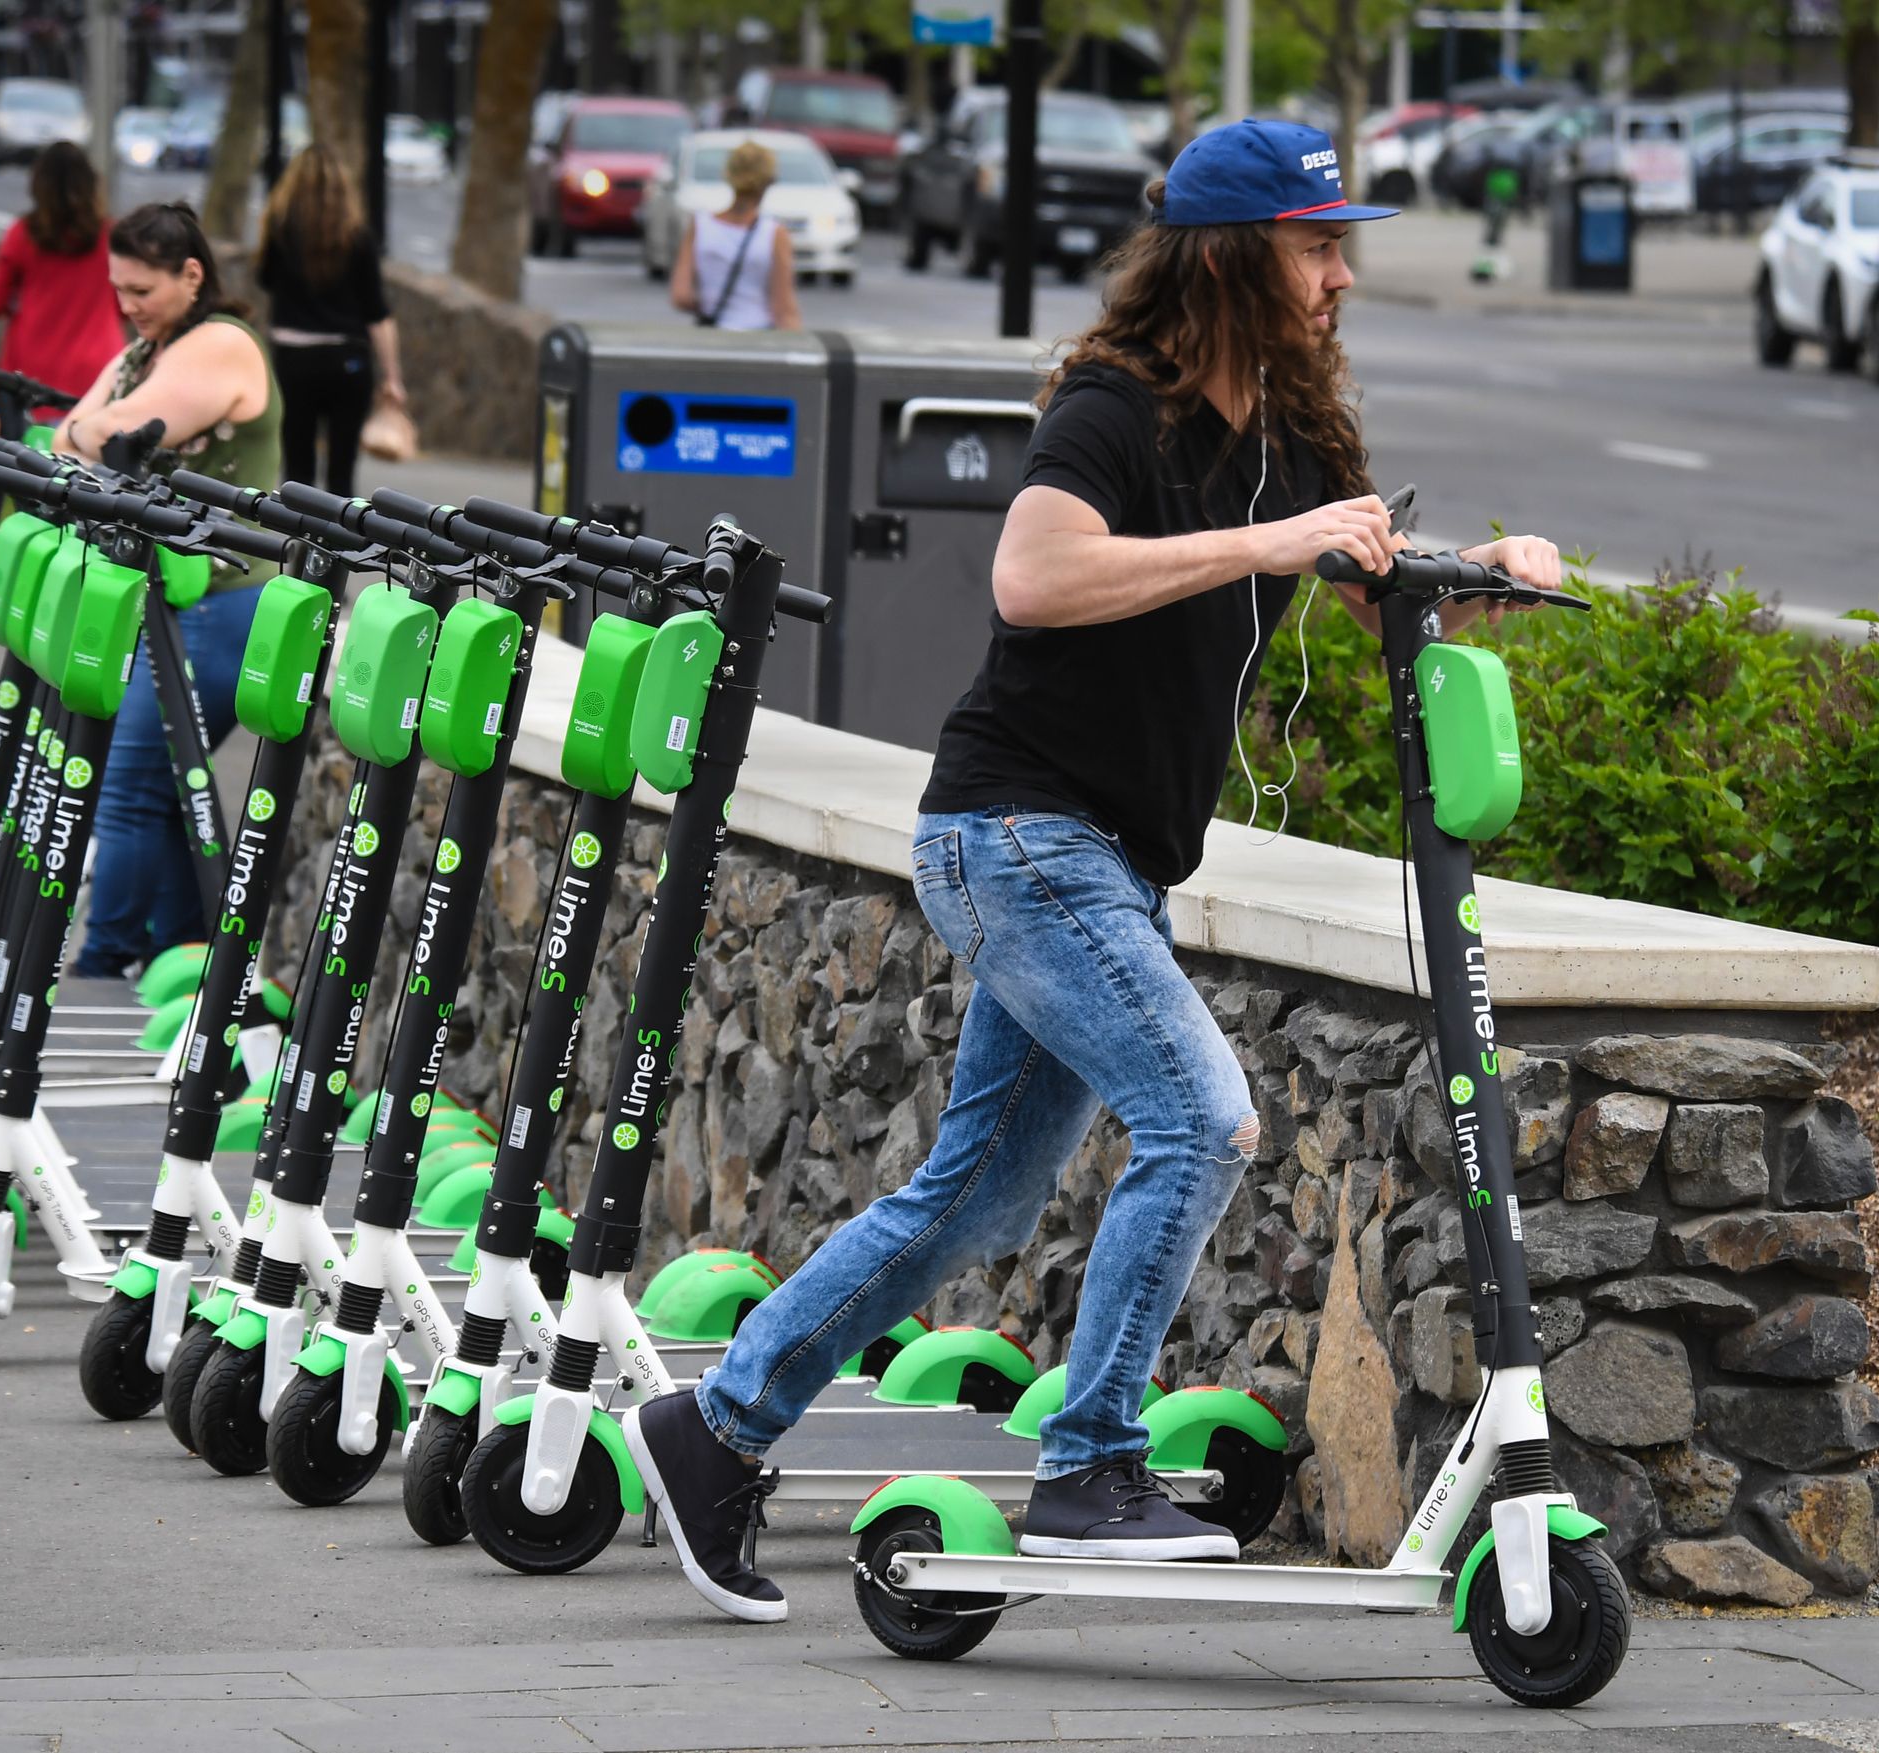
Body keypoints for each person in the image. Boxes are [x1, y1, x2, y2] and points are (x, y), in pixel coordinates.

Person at [623, 120, 1569, 1623]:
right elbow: (1033, 576)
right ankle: (1087, 1465)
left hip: (1103, 861)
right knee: (1203, 1119)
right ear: (1231, 259)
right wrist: (1260, 545)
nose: (1340, 277)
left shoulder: (1293, 438)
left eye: (1341, 247)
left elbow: (1356, 551)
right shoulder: (1114, 414)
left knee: (975, 1204)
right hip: (1014, 832)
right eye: (1315, 248)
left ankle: (711, 1432)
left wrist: (1484, 567)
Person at [53, 202, 281, 980]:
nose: (127, 305)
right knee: (168, 778)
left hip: (224, 602)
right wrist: (94, 433)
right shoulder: (147, 349)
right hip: (175, 599)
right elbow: (69, 436)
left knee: (129, 782)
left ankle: (105, 956)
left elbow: (114, 439)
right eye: (118, 289)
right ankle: (182, 946)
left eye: (141, 289)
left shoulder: (220, 343)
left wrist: (96, 433)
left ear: (192, 275)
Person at [255, 143, 405, 496]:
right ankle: (339, 546)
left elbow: (265, 279)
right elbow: (377, 314)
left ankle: (297, 545)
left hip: (294, 359)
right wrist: (393, 378)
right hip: (347, 360)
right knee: (342, 470)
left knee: (297, 466)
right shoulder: (358, 238)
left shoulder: (279, 230)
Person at [0, 141, 126, 413]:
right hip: (98, 370)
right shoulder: (111, 237)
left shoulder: (21, 235)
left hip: (32, 372)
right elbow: (126, 306)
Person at [669, 139, 801, 332]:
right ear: (768, 181)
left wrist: (709, 308)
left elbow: (681, 296)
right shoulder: (774, 233)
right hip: (758, 336)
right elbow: (783, 308)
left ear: (729, 175)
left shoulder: (700, 225)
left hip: (714, 336)